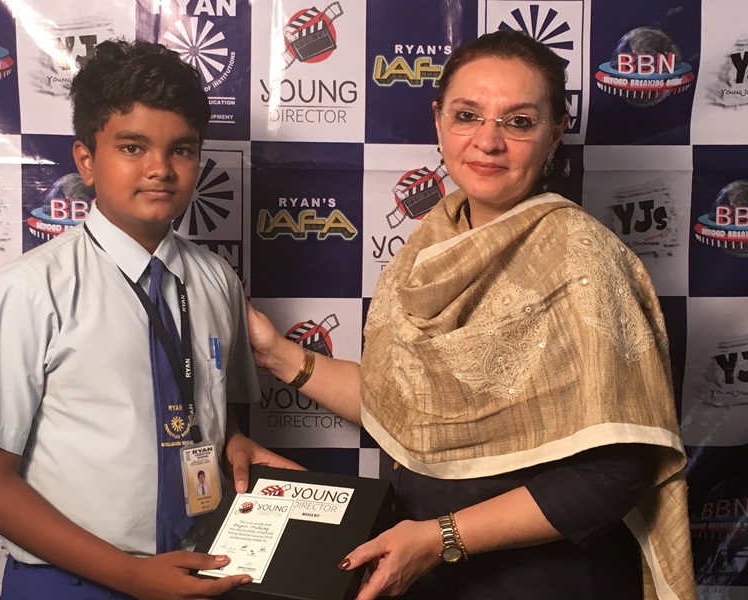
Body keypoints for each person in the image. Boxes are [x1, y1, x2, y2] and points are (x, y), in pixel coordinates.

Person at [247, 30, 694, 600]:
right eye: (467, 115)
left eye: (519, 122)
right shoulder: (430, 246)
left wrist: (441, 539)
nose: (488, 141)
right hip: (427, 571)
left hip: (543, 582)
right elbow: (408, 407)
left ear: (555, 132)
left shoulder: (582, 259)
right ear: (438, 121)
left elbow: (617, 468)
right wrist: (277, 355)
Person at [0, 40, 299, 600]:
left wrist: (233, 442)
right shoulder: (32, 288)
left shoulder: (217, 280)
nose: (160, 169)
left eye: (181, 150)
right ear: (86, 160)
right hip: (69, 583)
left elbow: (214, 413)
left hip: (198, 571)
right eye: (132, 147)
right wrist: (131, 576)